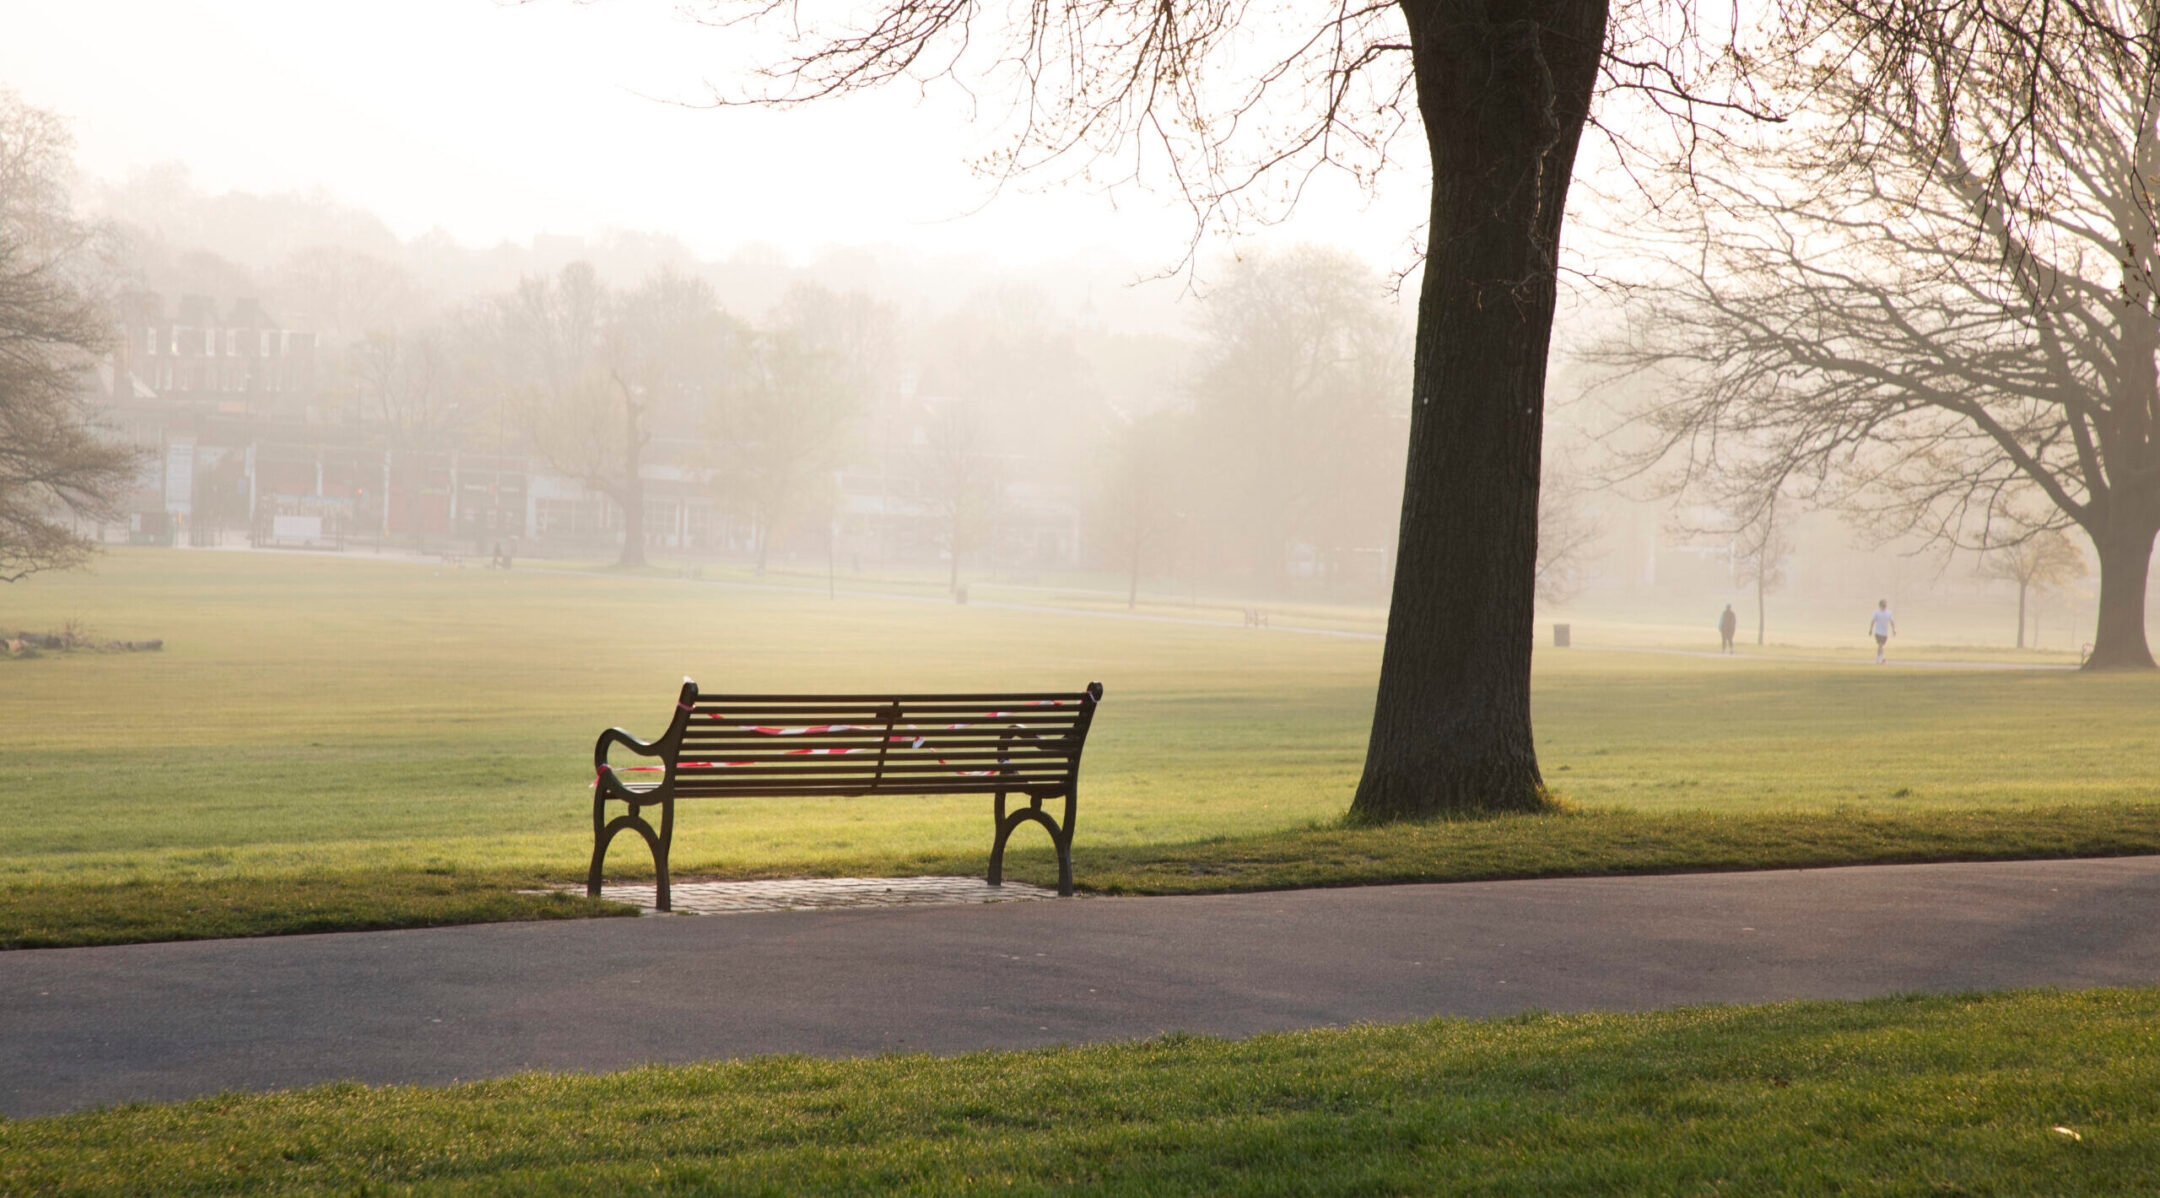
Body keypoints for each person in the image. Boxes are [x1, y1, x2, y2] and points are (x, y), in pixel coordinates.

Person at [1868, 599, 1897, 663]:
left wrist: (1894, 629)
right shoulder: (1876, 612)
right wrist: (1870, 629)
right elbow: (1873, 621)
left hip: (1885, 632)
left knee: (1881, 645)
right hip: (1878, 632)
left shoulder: (1889, 613)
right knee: (1880, 644)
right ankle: (1882, 658)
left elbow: (1892, 622)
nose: (1884, 605)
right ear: (1880, 605)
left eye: (1885, 604)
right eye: (1883, 604)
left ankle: (1878, 658)